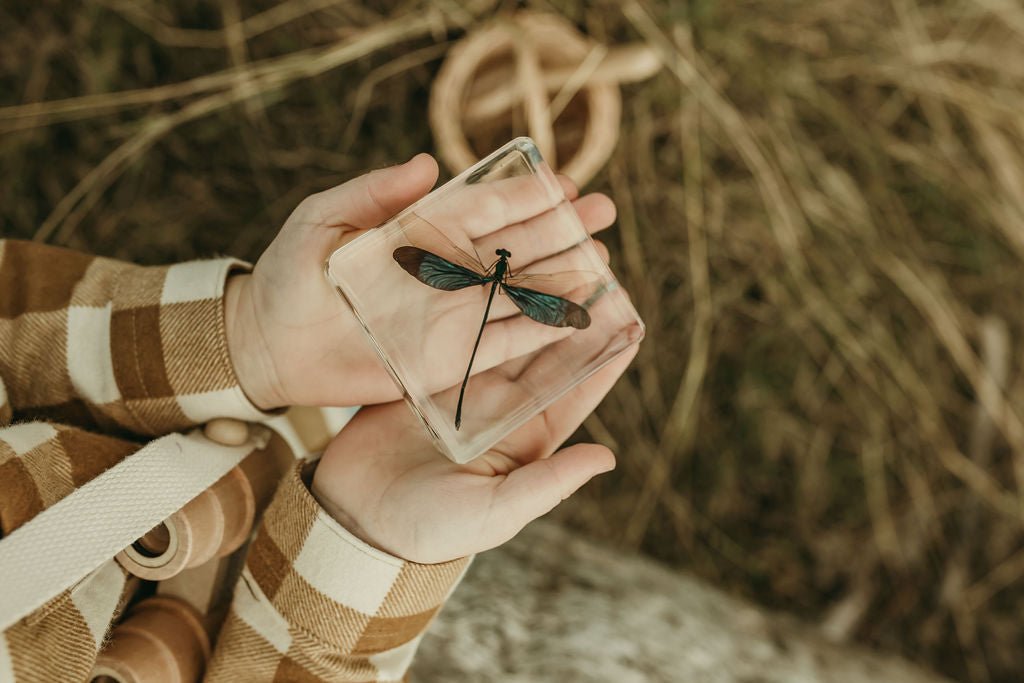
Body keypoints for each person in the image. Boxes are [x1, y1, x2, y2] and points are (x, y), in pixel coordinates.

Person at [0, 153, 637, 681]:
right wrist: (359, 546)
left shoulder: (469, 278)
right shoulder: (499, 285)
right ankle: (311, 434)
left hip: (183, 457)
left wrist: (242, 342)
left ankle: (292, 412)